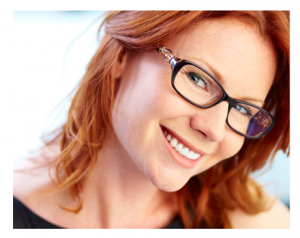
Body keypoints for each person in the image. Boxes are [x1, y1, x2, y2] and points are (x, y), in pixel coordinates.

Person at [13, 11, 290, 229]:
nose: (215, 130)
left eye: (244, 110)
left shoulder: (248, 220)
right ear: (122, 55)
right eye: (198, 79)